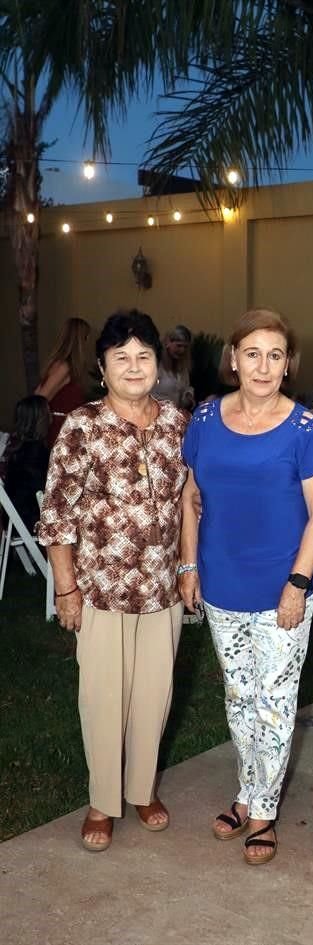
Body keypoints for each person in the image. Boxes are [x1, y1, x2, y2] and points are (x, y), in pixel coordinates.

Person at [179, 308, 313, 866]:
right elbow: (190, 497)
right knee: (240, 695)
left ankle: (264, 810)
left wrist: (297, 583)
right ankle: (246, 791)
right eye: (253, 353)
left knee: (274, 702)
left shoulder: (304, 428)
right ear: (234, 360)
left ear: (287, 364)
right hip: (222, 581)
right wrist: (189, 566)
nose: (264, 365)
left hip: (283, 588)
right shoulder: (202, 418)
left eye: (275, 355)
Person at [37, 309, 189, 853]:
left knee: (154, 694)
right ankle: (103, 800)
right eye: (120, 357)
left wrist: (190, 568)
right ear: (102, 367)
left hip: (162, 588)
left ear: (157, 365)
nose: (133, 365)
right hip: (99, 588)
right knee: (102, 697)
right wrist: (65, 588)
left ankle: (142, 789)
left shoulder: (177, 424)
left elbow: (190, 502)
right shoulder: (81, 426)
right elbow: (56, 515)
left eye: (142, 355)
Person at [35, 317, 91, 447]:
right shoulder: (64, 367)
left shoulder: (65, 366)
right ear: (79, 341)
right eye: (86, 338)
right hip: (59, 432)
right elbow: (39, 398)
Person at [2, 396, 50, 533]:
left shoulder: (18, 449)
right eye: (48, 412)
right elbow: (43, 490)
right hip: (28, 521)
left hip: (13, 521)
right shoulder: (35, 452)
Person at [152, 324, 195, 410]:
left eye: (185, 347)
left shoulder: (183, 369)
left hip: (175, 416)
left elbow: (186, 387)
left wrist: (188, 396)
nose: (182, 350)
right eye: (178, 346)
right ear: (168, 344)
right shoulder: (156, 366)